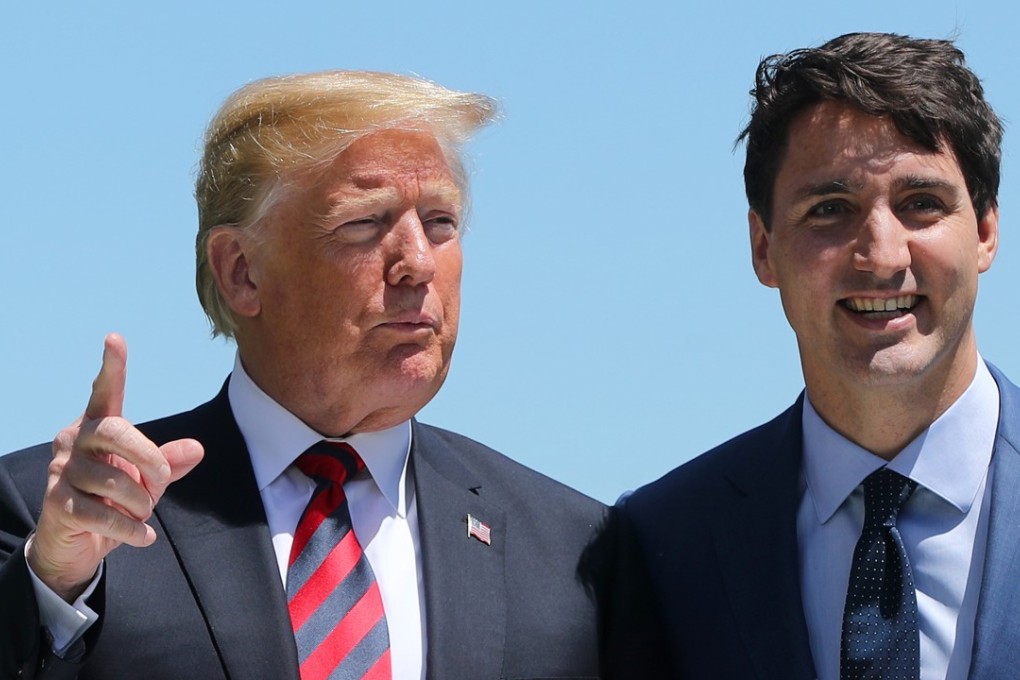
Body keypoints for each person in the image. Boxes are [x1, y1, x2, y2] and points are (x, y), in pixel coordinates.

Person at [0, 71, 608, 679]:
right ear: (241, 271)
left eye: (440, 222)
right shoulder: (62, 513)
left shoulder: (577, 551)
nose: (418, 263)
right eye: (366, 222)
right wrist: (51, 582)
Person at [606, 32, 1020, 679]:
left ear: (987, 231)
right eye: (830, 209)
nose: (882, 255)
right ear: (763, 248)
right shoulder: (666, 542)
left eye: (921, 204)